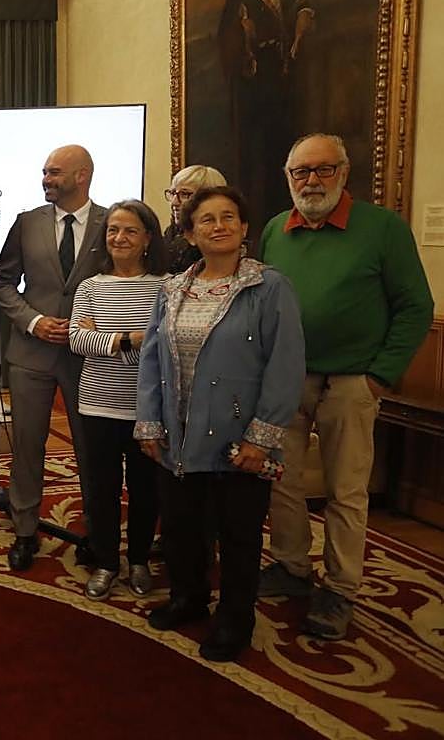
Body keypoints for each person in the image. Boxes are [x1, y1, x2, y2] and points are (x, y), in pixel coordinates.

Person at [257, 133, 433, 640]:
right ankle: (291, 566)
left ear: (344, 173)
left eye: (323, 170)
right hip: (286, 379)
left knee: (346, 489)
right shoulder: (275, 229)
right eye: (301, 172)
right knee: (281, 479)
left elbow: (415, 306)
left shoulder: (381, 229)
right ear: (288, 178)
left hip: (352, 380)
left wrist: (380, 375)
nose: (311, 181)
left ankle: (340, 587)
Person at [135, 184, 305, 663]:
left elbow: (285, 365)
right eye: (206, 219)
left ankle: (234, 620)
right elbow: (151, 359)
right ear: (190, 233)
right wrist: (149, 422)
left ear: (245, 227)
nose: (219, 226)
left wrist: (262, 436)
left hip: (238, 438)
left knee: (238, 533)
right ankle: (189, 598)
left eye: (229, 216)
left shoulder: (268, 287)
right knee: (183, 527)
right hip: (177, 435)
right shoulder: (172, 289)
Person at [0, 144, 109, 572]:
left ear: (82, 176)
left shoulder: (111, 223)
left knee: (91, 448)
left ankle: (99, 532)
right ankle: (25, 530)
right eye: (44, 172)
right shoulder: (27, 223)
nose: (46, 179)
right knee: (27, 445)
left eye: (55, 172)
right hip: (31, 354)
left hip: (91, 358)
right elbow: (3, 284)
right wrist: (33, 320)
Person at [69, 200, 169, 600]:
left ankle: (140, 559)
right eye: (112, 230)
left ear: (147, 238)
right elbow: (78, 341)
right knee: (101, 488)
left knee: (147, 489)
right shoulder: (90, 287)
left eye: (129, 230)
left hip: (148, 408)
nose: (119, 238)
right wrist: (131, 339)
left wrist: (106, 341)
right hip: (97, 405)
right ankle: (108, 562)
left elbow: (165, 343)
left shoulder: (167, 286)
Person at [217, 0, 315, 234]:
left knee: (282, 143)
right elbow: (227, 28)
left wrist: (304, 14)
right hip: (253, 74)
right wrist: (241, 31)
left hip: (282, 68)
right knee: (254, 149)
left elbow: (302, 0)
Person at [164, 165, 227, 274]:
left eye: (184, 194)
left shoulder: (219, 237)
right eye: (173, 193)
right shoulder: (171, 232)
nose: (174, 202)